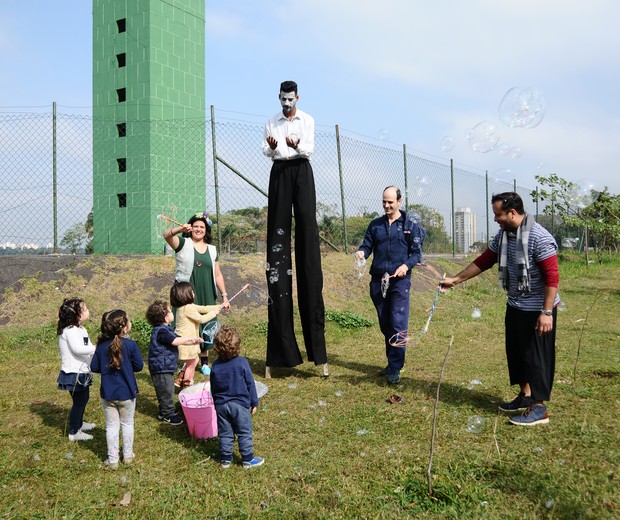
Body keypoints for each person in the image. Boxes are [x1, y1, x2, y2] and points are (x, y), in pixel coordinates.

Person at [441, 192, 560, 426]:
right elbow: (485, 260)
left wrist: (546, 313)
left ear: (512, 213)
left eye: (498, 214)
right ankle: (526, 396)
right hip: (515, 303)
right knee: (517, 352)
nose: (495, 219)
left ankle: (539, 409)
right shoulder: (504, 235)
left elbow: (552, 278)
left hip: (537, 308)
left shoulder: (539, 237)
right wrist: (455, 280)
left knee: (536, 357)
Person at [262, 80, 327, 378]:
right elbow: (265, 148)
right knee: (277, 243)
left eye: (290, 99)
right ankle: (281, 352)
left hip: (301, 169)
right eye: (282, 99)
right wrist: (272, 147)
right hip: (279, 172)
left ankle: (317, 351)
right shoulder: (271, 121)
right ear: (279, 98)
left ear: (297, 97)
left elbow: (310, 149)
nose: (286, 104)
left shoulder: (308, 120)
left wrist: (296, 144)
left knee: (307, 239)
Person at [356, 186, 424, 384]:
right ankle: (390, 362)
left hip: (399, 282)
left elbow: (417, 253)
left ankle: (395, 366)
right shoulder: (375, 225)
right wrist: (362, 252)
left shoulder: (410, 225)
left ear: (399, 202)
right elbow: (367, 245)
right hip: (378, 281)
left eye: (390, 202)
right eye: (384, 201)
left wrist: (406, 265)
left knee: (397, 323)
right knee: (385, 324)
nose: (386, 205)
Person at [164, 212, 230, 371]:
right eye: (195, 226)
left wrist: (224, 296)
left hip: (207, 289)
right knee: (187, 324)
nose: (198, 229)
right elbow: (166, 236)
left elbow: (218, 274)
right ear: (190, 228)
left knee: (207, 324)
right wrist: (179, 230)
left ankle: (204, 362)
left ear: (206, 230)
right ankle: (186, 359)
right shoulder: (182, 243)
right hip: (186, 292)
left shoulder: (213, 250)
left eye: (202, 227)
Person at [91, 309, 143, 469]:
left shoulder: (101, 347)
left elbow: (94, 367)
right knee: (127, 424)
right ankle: (127, 456)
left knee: (111, 426)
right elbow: (139, 366)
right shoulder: (130, 345)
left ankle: (113, 460)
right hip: (127, 394)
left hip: (108, 395)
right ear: (124, 328)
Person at [210, 325, 264, 469]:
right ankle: (247, 459)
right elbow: (250, 384)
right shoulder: (242, 362)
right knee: (244, 432)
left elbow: (213, 387)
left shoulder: (215, 365)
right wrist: (254, 402)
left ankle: (226, 460)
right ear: (237, 345)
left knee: (225, 434)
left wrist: (216, 403)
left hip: (222, 405)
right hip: (240, 405)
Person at [146, 299, 203, 426]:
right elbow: (175, 341)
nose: (172, 312)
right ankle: (168, 415)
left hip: (164, 366)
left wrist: (193, 341)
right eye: (170, 311)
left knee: (165, 390)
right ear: (165, 318)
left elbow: (177, 339)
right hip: (161, 368)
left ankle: (164, 411)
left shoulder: (164, 330)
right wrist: (190, 338)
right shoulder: (162, 331)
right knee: (167, 391)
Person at [56, 298, 97, 441]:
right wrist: (97, 348)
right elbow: (78, 349)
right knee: (79, 402)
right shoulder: (71, 330)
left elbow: (88, 347)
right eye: (85, 309)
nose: (88, 311)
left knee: (83, 399)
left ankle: (79, 423)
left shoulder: (81, 329)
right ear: (77, 315)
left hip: (83, 372)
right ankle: (74, 432)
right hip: (74, 373)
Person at [170, 281, 221, 388]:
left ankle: (180, 379)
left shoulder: (184, 307)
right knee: (192, 363)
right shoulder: (188, 308)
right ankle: (187, 386)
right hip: (187, 343)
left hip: (184, 342)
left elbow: (203, 308)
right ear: (186, 294)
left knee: (194, 360)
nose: (194, 293)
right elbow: (202, 319)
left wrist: (220, 306)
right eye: (192, 291)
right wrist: (214, 313)